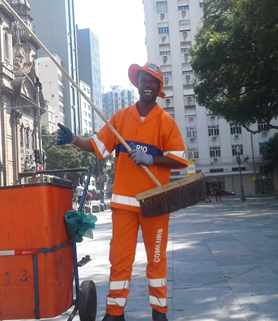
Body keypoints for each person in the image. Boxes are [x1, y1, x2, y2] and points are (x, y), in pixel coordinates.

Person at [56, 62, 188, 321]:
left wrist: (151, 159)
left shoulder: (165, 122)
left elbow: (180, 159)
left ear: (158, 88)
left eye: (153, 81)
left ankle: (159, 312)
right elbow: (97, 146)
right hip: (124, 204)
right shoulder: (119, 119)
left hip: (156, 202)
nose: (147, 84)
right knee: (119, 260)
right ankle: (115, 313)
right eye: (143, 80)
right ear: (136, 84)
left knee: (157, 260)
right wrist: (73, 139)